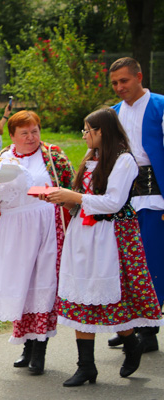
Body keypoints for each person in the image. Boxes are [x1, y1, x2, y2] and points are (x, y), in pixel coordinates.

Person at [43, 108, 163, 386]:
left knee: (111, 298)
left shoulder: (124, 161)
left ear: (102, 131)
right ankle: (86, 366)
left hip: (111, 236)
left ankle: (131, 342)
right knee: (81, 296)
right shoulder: (91, 159)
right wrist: (64, 200)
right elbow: (85, 201)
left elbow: (113, 202)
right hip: (83, 235)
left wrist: (75, 196)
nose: (84, 135)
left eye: (88, 130)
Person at [0, 111, 74, 376]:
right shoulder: (1, 161)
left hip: (47, 227)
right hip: (14, 231)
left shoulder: (53, 156)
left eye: (35, 131)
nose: (31, 138)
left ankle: (39, 349)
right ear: (11, 136)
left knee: (42, 285)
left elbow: (72, 189)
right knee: (20, 287)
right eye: (24, 133)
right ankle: (25, 346)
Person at [108, 57, 164, 353]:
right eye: (115, 83)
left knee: (151, 260)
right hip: (124, 195)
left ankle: (149, 330)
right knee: (125, 262)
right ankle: (130, 325)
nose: (119, 87)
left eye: (124, 81)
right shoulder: (114, 113)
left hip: (155, 194)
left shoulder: (160, 105)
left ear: (139, 76)